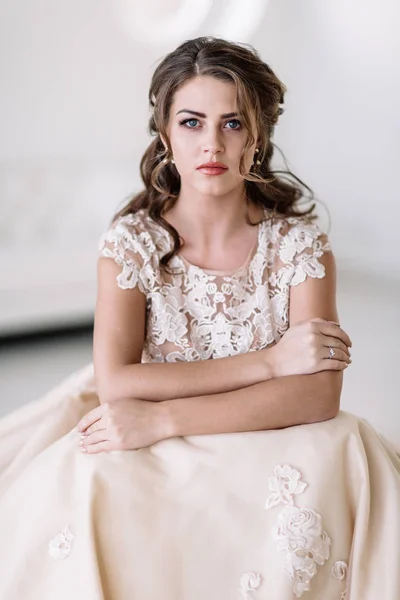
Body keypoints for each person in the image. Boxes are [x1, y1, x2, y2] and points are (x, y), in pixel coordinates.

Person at [0, 36, 399, 600]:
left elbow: (317, 398)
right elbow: (117, 382)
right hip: (162, 442)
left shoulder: (299, 247)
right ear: (165, 133)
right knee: (92, 479)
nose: (212, 143)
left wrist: (164, 418)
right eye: (192, 122)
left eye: (233, 124)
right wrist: (269, 362)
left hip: (251, 434)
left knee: (334, 449)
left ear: (257, 136)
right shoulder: (130, 245)